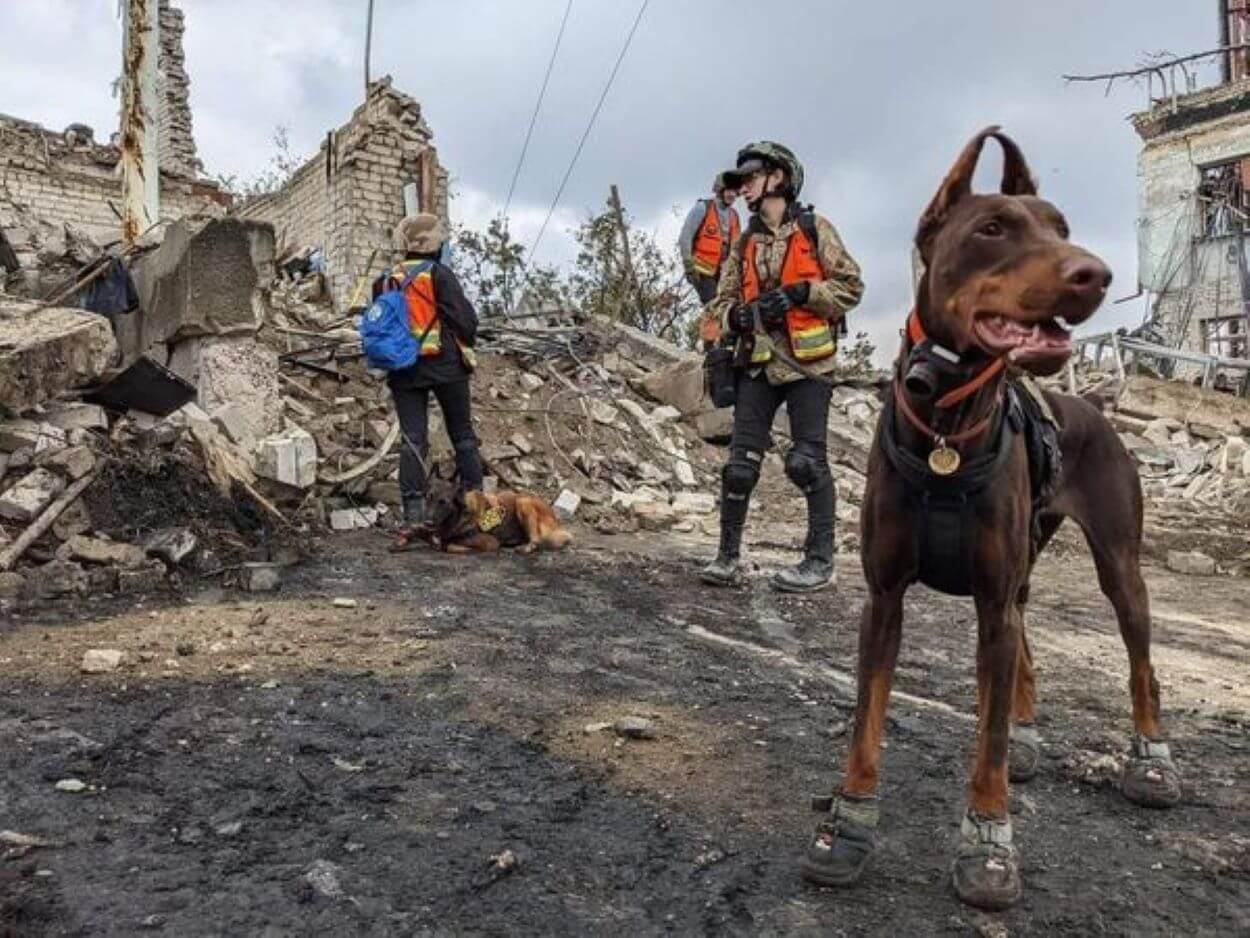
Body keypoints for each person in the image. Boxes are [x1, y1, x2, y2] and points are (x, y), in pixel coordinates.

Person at [700, 142, 864, 592]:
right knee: (739, 466)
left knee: (807, 462)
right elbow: (721, 298)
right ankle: (728, 557)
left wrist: (801, 294)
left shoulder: (815, 229)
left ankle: (819, 561)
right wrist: (734, 315)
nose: (743, 186)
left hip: (809, 365)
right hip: (757, 363)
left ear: (778, 178)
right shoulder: (745, 242)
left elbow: (851, 287)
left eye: (750, 176)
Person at [372, 213, 484, 551]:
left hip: (402, 370)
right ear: (434, 244)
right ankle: (481, 515)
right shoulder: (440, 275)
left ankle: (413, 519)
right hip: (446, 366)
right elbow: (466, 322)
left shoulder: (384, 280)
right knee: (462, 436)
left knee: (413, 441)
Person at [679, 173, 742, 307]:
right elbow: (686, 236)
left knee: (728, 307)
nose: (733, 195)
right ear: (720, 190)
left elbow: (738, 248)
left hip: (724, 273)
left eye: (735, 192)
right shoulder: (703, 208)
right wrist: (688, 264)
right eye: (729, 190)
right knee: (713, 305)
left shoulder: (734, 216)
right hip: (701, 271)